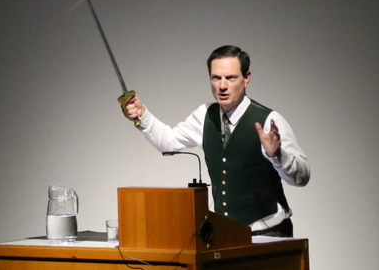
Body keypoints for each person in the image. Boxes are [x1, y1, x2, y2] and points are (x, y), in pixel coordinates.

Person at [119, 45, 309, 236]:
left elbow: (301, 178)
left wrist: (277, 155)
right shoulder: (205, 115)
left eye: (230, 78)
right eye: (216, 78)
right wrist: (143, 114)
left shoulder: (269, 120)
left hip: (268, 233)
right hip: (224, 233)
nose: (222, 86)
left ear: (247, 77)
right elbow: (169, 142)